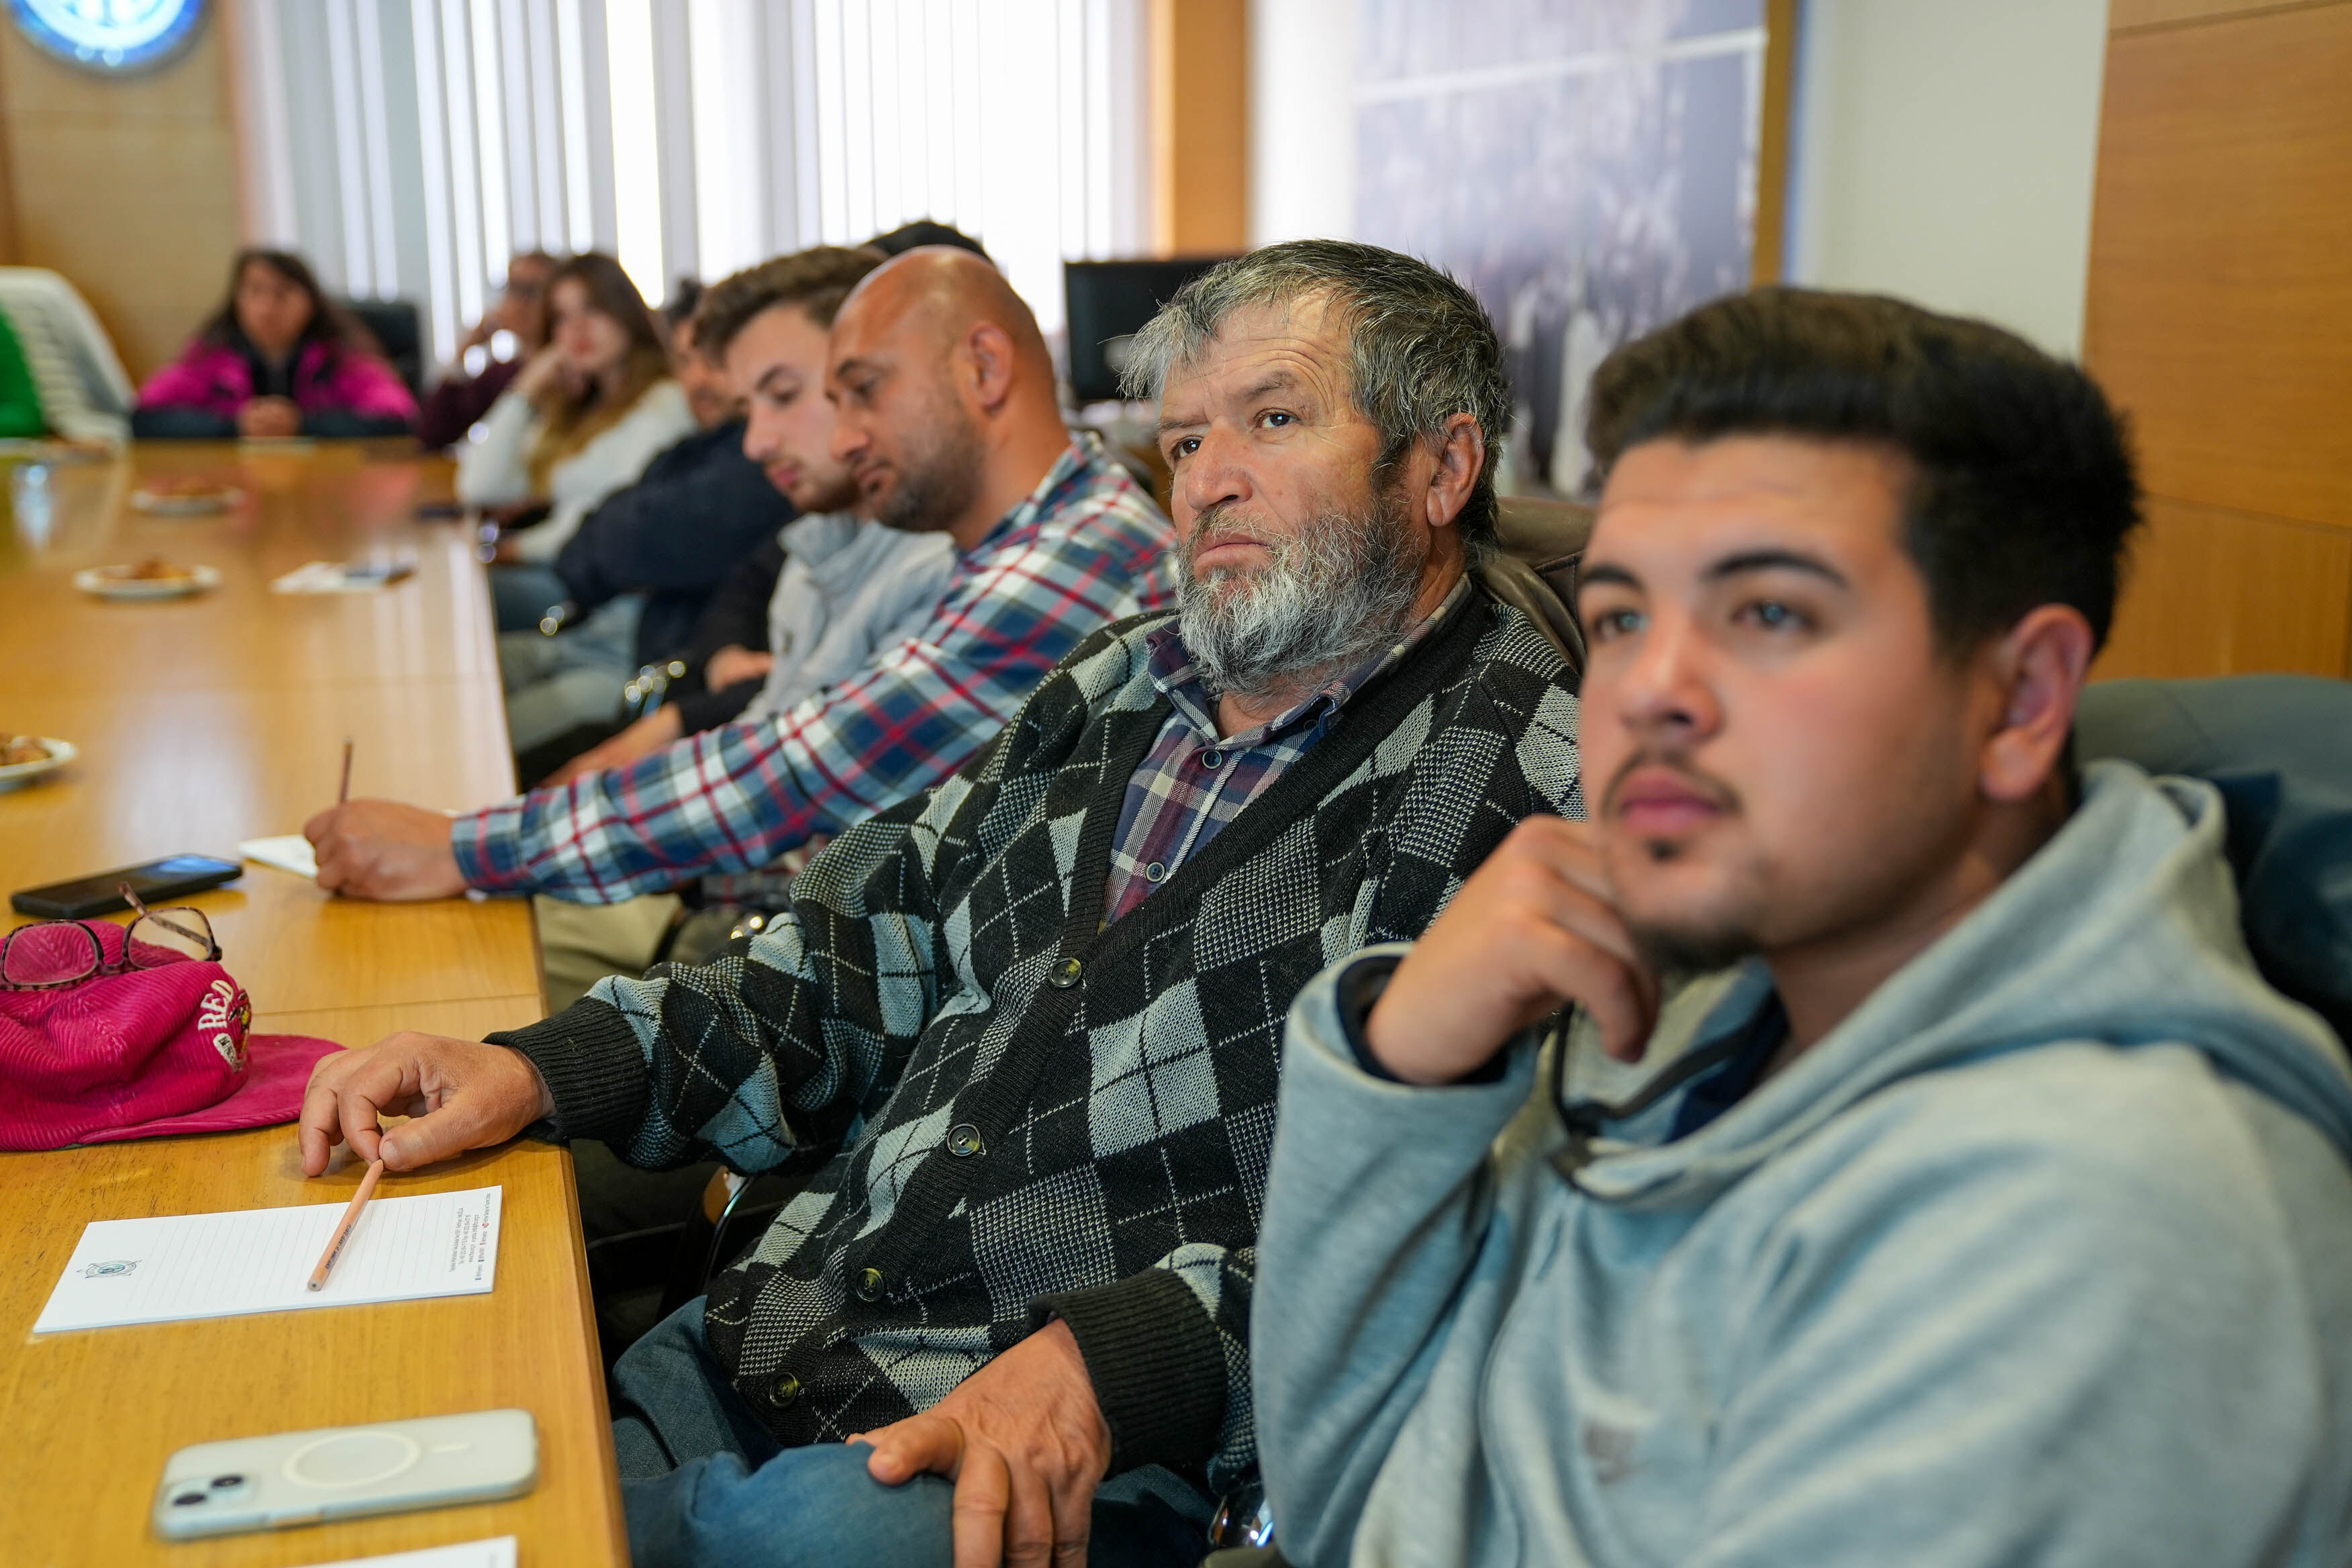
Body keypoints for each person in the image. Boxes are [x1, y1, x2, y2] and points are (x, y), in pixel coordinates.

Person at [293, 239, 1586, 1567]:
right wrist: (532, 1067)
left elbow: (1470, 1236)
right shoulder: (1123, 683)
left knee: (530, 1518)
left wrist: (1111, 1363)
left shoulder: (1528, 793)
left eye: (1272, 418)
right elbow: (845, 957)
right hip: (781, 1328)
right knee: (428, 1411)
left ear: (1442, 466)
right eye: (1188, 440)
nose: (1209, 479)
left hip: (1058, 1459)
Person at [1249, 289, 2352, 1568]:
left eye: (1767, 612)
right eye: (1618, 617)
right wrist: (1397, 1068)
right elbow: (1354, 1510)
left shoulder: (2099, 1224)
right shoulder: (1682, 998)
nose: (1649, 690)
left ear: (2020, 698)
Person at [303, 246, 1171, 912]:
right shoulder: (1006, 539)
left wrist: (468, 848)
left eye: (862, 391)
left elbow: (800, 772)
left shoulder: (1077, 550)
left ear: (983, 369)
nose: (839, 438)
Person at [493, 269, 797, 765]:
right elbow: (589, 536)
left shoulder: (752, 462)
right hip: (592, 632)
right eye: (685, 361)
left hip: (633, 667)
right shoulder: (691, 446)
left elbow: (627, 538)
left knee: (472, 742)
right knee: (437, 681)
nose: (697, 380)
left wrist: (600, 539)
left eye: (714, 362)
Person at [458, 252, 696, 630]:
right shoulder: (581, 408)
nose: (578, 330)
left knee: (459, 601)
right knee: (453, 595)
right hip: (565, 576)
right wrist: (526, 389)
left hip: (605, 597)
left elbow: (616, 518)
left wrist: (520, 549)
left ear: (625, 314)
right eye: (563, 319)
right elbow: (480, 486)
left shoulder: (663, 403)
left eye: (593, 310)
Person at [132, 249, 417, 440]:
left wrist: (302, 425)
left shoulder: (341, 357)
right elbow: (144, 416)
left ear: (312, 302)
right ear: (237, 301)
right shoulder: (210, 358)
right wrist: (234, 427)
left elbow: (399, 417)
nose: (268, 307)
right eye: (256, 291)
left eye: (283, 293)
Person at [417, 250, 556, 451]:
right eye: (512, 288)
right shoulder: (503, 373)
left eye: (532, 291)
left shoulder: (569, 370)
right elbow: (434, 434)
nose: (519, 302)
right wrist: (462, 352)